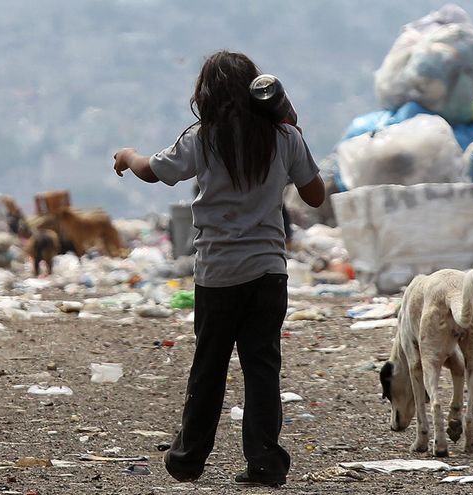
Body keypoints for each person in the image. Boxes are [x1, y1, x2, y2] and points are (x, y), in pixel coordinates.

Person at [113, 50, 325, 487]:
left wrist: (127, 155)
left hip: (218, 272)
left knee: (209, 367)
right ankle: (265, 464)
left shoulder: (204, 137)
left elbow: (155, 172)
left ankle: (188, 460)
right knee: (262, 367)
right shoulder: (283, 137)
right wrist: (293, 125)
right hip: (269, 272)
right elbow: (316, 195)